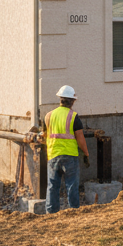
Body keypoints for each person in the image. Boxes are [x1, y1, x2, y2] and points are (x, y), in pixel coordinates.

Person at [43, 85, 90, 213]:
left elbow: (45, 135)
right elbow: (80, 139)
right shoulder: (73, 117)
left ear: (60, 99)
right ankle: (73, 212)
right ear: (73, 101)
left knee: (52, 186)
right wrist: (86, 154)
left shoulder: (48, 116)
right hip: (70, 156)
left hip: (53, 155)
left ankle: (51, 213)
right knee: (72, 186)